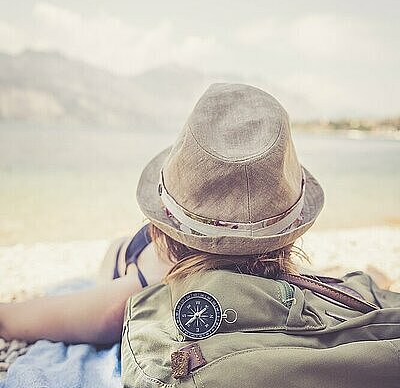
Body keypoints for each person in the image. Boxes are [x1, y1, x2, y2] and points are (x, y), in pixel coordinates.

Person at [0, 83, 389, 346]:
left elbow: (18, 319)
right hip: (260, 265)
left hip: (141, 265)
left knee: (118, 250)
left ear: (163, 224)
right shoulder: (288, 292)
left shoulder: (136, 296)